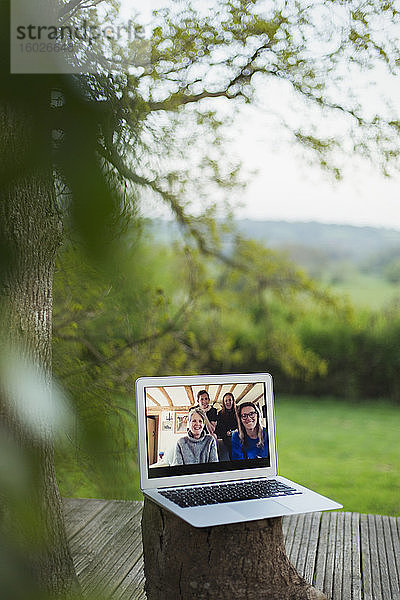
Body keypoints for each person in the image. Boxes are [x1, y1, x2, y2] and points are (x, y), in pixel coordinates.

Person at [215, 392, 238, 459]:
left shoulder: (238, 411)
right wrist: (226, 433)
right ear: (223, 402)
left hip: (238, 434)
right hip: (226, 437)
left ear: (233, 401)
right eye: (226, 401)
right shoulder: (220, 413)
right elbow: (219, 428)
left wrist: (234, 432)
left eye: (230, 400)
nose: (228, 402)